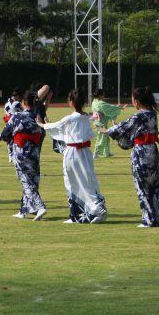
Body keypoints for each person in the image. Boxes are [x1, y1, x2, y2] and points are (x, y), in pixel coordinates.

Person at [103, 87, 159, 227]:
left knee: (142, 186)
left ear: (137, 101)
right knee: (154, 185)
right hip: (153, 151)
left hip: (141, 153)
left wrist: (108, 130)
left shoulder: (138, 116)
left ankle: (149, 219)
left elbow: (122, 128)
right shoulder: (152, 114)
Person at [39, 88, 107, 224]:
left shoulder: (70, 118)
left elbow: (56, 127)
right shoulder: (85, 117)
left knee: (72, 182)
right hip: (85, 153)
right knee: (88, 180)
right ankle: (86, 212)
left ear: (70, 102)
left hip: (72, 153)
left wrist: (42, 124)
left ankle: (91, 211)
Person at [0, 91, 47, 220]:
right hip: (34, 151)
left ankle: (40, 206)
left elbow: (5, 133)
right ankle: (24, 210)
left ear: (24, 103)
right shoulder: (37, 117)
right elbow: (42, 133)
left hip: (20, 151)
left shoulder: (17, 116)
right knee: (33, 179)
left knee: (25, 180)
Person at [91, 89, 123, 159]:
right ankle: (96, 153)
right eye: (103, 94)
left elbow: (107, 107)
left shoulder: (94, 102)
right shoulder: (100, 103)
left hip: (97, 122)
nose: (104, 96)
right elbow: (109, 108)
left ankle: (107, 153)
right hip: (100, 123)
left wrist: (116, 107)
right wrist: (117, 108)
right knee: (101, 138)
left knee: (105, 137)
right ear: (100, 95)